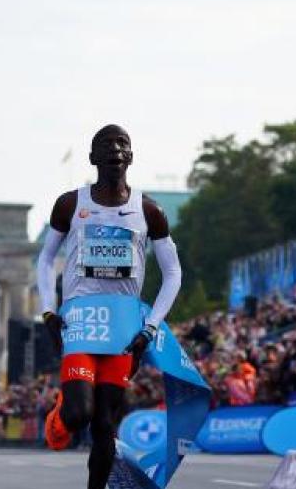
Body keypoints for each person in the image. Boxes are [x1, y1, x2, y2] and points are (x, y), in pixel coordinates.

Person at [37, 125, 183, 489]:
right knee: (79, 413)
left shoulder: (150, 211)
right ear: (93, 158)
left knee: (105, 424)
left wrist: (150, 326)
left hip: (123, 328)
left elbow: (173, 273)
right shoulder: (71, 204)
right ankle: (61, 414)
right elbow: (45, 260)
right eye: (106, 144)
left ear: (130, 157)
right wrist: (48, 311)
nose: (115, 149)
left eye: (123, 144)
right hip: (81, 324)